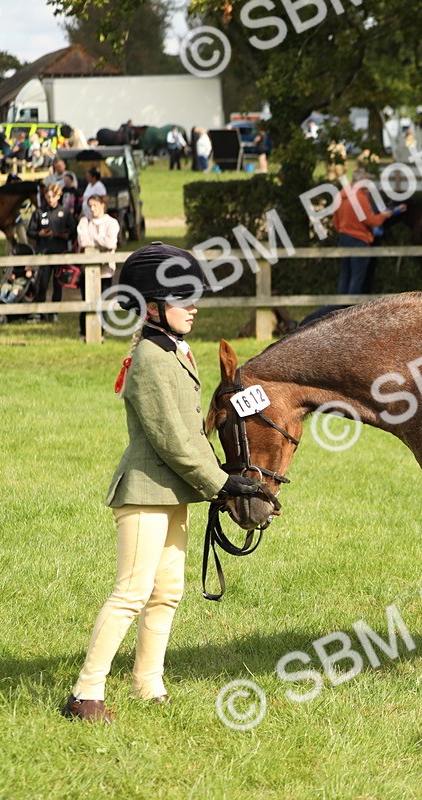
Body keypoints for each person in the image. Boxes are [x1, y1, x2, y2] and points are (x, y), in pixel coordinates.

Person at [61, 243, 266, 723]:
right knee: (132, 590)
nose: (193, 305)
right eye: (183, 298)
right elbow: (173, 441)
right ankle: (85, 693)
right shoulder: (152, 358)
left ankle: (147, 682)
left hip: (172, 491)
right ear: (153, 305)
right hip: (145, 491)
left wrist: (226, 475)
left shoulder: (172, 349)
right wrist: (221, 485)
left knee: (168, 589)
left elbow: (191, 431)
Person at [301, 169, 405, 324]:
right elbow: (371, 221)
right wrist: (386, 215)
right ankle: (350, 314)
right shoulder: (360, 197)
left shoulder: (341, 195)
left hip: (344, 237)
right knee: (357, 277)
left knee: (345, 274)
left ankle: (339, 310)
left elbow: (335, 221)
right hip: (359, 238)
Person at [28, 182, 78, 318]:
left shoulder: (65, 212)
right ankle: (39, 312)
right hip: (44, 253)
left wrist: (64, 235)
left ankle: (54, 313)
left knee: (58, 285)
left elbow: (74, 232)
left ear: (59, 196)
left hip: (60, 253)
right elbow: (30, 232)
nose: (50, 199)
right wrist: (40, 234)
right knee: (42, 284)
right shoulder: (39, 212)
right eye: (48, 196)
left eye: (53, 196)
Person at [77, 194, 121, 338]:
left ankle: (100, 333)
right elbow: (83, 241)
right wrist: (101, 241)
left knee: (103, 301)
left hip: (105, 270)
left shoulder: (112, 223)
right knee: (86, 300)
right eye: (90, 206)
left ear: (103, 205)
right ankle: (84, 332)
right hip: (87, 270)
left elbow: (111, 243)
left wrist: (94, 239)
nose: (92, 209)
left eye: (95, 205)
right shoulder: (84, 221)